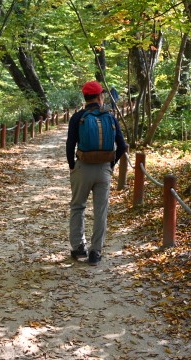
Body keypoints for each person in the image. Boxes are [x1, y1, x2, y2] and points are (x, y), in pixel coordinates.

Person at [66, 80, 127, 266]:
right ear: (100, 96)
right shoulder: (110, 117)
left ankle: (79, 249)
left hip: (82, 167)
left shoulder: (78, 117)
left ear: (85, 97)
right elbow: (122, 146)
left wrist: (72, 165)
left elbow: (70, 144)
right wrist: (111, 164)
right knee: (101, 210)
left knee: (78, 207)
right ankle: (95, 252)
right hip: (104, 169)